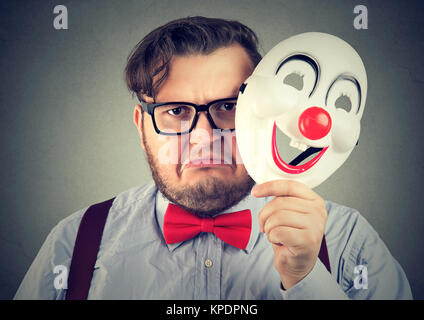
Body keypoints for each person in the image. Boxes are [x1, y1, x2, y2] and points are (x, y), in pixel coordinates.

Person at [14, 16, 412, 300]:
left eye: (228, 106)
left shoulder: (348, 243)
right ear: (141, 126)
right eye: (175, 111)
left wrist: (307, 280)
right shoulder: (74, 243)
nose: (204, 139)